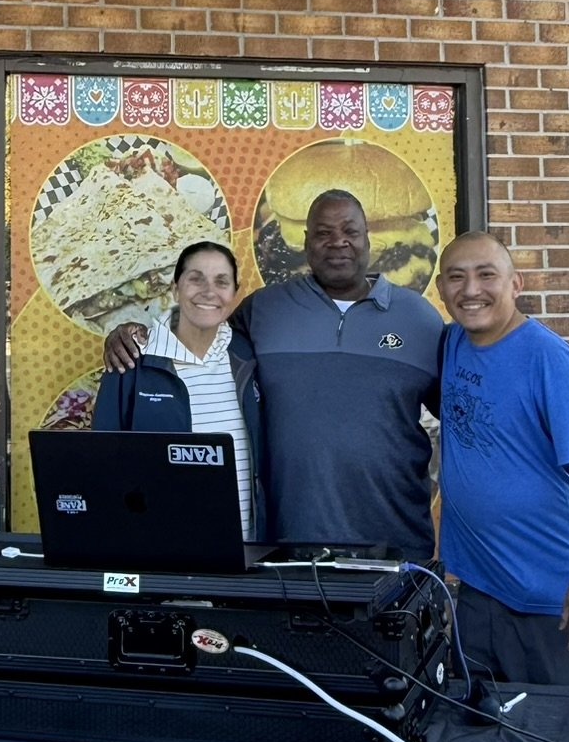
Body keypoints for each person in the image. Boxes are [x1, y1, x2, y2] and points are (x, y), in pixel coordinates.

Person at [104, 191, 441, 554]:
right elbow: (200, 332)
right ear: (305, 242)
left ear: (367, 237)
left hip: (396, 543)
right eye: (323, 233)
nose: (337, 242)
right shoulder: (264, 309)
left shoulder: (420, 319)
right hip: (287, 547)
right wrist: (134, 335)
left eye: (350, 231)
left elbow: (461, 418)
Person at [434, 230, 569, 689]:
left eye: (486, 275)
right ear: (440, 289)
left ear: (516, 284)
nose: (471, 290)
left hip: (551, 601)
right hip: (477, 594)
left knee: (565, 726)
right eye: (456, 277)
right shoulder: (451, 344)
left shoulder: (547, 358)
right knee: (479, 725)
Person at [91, 240, 263, 543]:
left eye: (221, 282)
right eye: (196, 279)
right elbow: (103, 466)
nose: (209, 291)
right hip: (159, 552)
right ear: (174, 289)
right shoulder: (131, 360)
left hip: (243, 551)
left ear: (235, 293)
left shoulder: (249, 356)